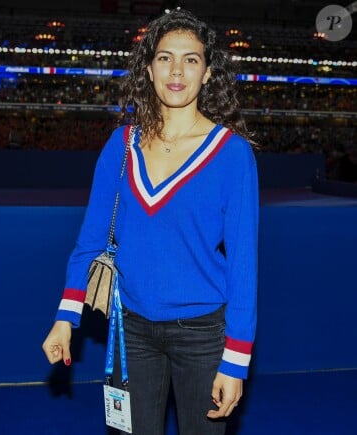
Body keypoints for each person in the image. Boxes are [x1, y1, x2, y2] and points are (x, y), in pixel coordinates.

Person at [42, 9, 259, 435]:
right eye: (165, 58)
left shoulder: (233, 155)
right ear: (149, 68)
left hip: (203, 336)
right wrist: (65, 318)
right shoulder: (121, 144)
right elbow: (90, 242)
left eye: (191, 59)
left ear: (208, 72)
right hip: (130, 332)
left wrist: (236, 359)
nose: (177, 70)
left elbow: (244, 264)